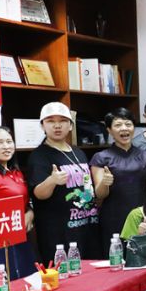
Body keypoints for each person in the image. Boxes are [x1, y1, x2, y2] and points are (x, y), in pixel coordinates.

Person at [26, 102, 99, 263]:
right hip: (59, 234)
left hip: (87, 225)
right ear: (42, 126)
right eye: (50, 121)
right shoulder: (39, 156)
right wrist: (52, 180)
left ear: (71, 125)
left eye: (63, 121)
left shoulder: (78, 152)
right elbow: (39, 194)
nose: (57, 125)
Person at [91, 108, 146, 255]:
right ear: (109, 130)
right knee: (116, 257)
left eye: (128, 124)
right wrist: (105, 182)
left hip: (142, 214)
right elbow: (100, 195)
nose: (124, 128)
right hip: (113, 216)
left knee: (142, 258)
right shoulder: (101, 157)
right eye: (118, 125)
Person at [0, 126, 35, 278]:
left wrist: (30, 213)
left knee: (26, 279)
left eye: (9, 141)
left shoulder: (16, 172)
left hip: (19, 235)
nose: (6, 146)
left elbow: (26, 201)